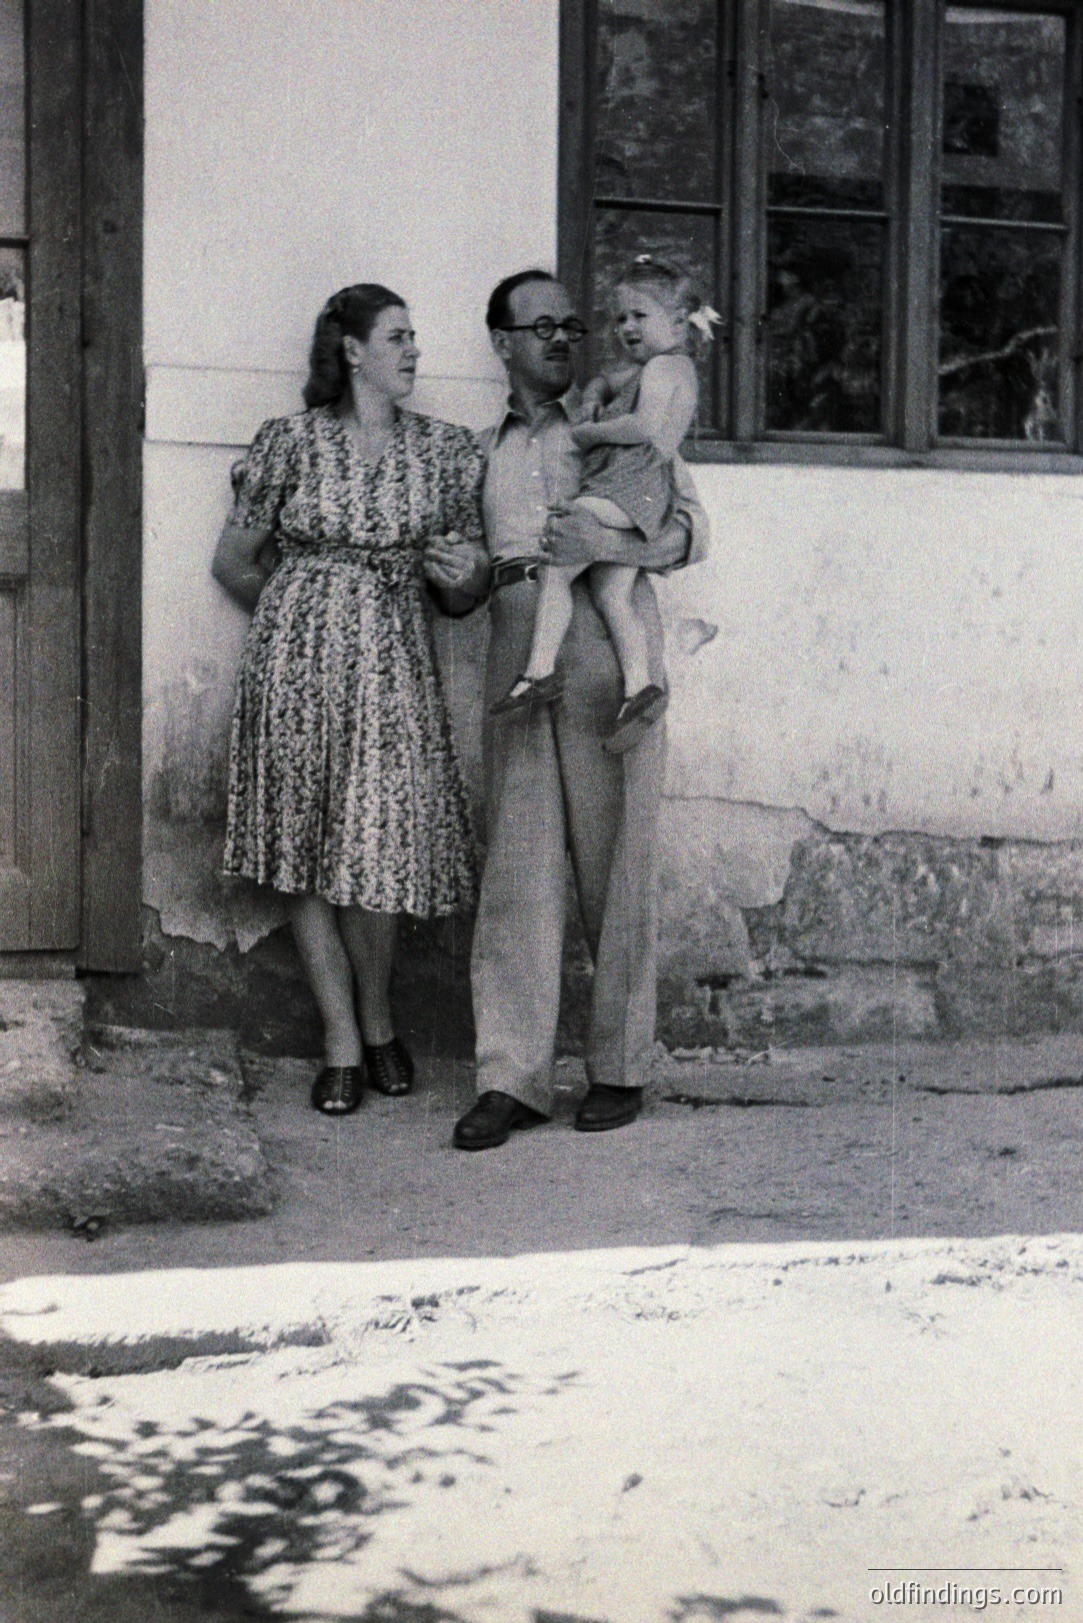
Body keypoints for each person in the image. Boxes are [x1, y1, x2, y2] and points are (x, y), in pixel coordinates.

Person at [213, 283, 489, 1117]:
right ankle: (343, 1037)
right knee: (303, 844)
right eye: (398, 337)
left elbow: (464, 588)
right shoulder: (288, 442)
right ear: (352, 350)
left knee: (377, 848)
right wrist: (308, 615)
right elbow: (233, 563)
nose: (413, 352)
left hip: (393, 668)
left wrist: (464, 578)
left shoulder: (445, 453)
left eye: (415, 338)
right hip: (294, 667)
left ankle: (377, 1018)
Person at [452, 269, 708, 1151]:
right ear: (502, 343)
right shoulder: (481, 449)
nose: (564, 339)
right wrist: (456, 580)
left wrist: (617, 539)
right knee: (517, 863)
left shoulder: (623, 411)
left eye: (572, 324)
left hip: (604, 642)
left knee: (616, 859)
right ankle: (511, 1077)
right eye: (542, 327)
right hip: (520, 635)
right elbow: (462, 575)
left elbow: (690, 527)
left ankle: (620, 1066)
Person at [493, 255, 709, 754]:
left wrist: (587, 432)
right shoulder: (642, 371)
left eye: (640, 315)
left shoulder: (666, 366)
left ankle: (538, 670)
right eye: (620, 317)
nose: (627, 326)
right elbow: (611, 382)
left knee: (560, 558)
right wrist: (593, 392)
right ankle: (639, 688)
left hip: (631, 486)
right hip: (632, 490)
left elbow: (647, 429)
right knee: (614, 595)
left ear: (678, 322)